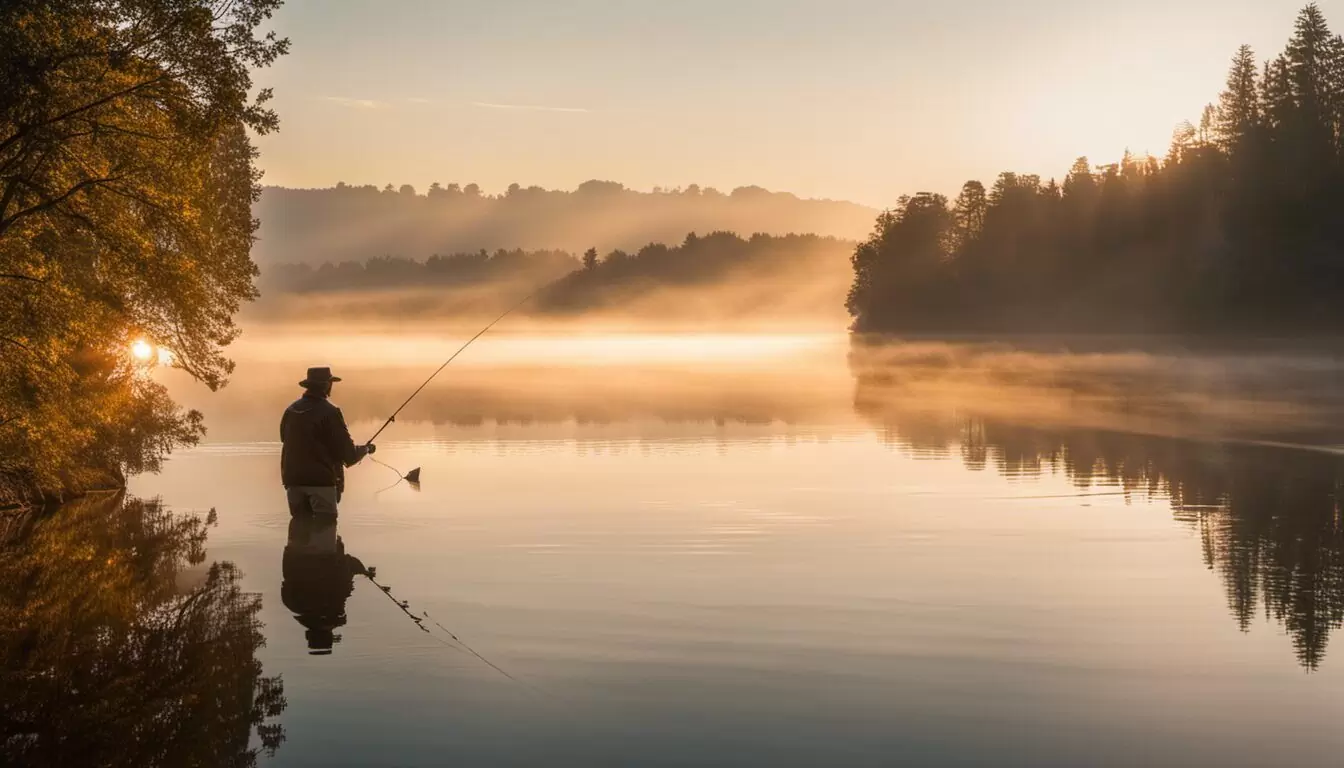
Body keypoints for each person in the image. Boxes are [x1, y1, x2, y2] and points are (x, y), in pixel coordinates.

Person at [280, 366, 375, 516]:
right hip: (321, 483)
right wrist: (366, 449)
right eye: (330, 383)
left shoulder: (291, 410)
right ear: (326, 385)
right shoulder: (330, 412)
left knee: (299, 532)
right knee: (325, 530)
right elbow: (349, 455)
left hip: (293, 481)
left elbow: (284, 439)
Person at [281, 514, 370, 655]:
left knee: (324, 516)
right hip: (297, 539)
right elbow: (346, 568)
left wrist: (362, 570)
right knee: (318, 514)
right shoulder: (291, 603)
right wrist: (362, 570)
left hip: (323, 547)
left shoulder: (334, 605)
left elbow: (345, 571)